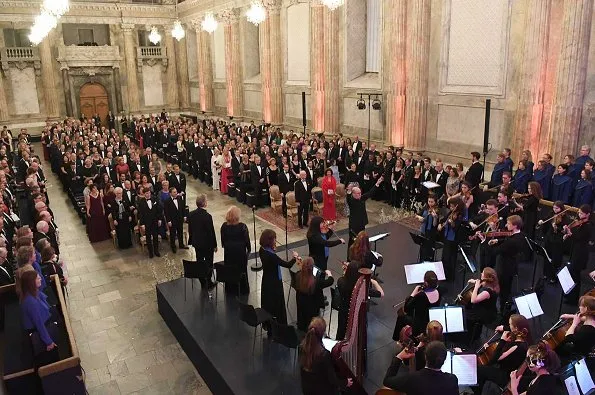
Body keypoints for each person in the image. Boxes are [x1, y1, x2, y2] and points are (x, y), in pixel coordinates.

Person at [472, 314, 532, 395]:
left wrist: (502, 340)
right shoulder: (525, 337)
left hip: (507, 376)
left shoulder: (514, 347)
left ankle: (477, 392)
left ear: (516, 328)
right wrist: (503, 328)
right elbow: (511, 329)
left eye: (510, 324)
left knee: (479, 369)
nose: (509, 326)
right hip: (513, 368)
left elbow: (494, 360)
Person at [478, 214, 526, 306]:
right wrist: (498, 241)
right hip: (512, 265)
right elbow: (508, 239)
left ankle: (502, 308)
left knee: (503, 289)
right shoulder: (521, 235)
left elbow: (493, 252)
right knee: (507, 288)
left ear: (515, 225)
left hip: (505, 267)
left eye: (508, 223)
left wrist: (484, 241)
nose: (506, 225)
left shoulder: (511, 242)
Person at [382, 340, 459, 395]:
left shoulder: (412, 379)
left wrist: (399, 356)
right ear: (444, 360)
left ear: (425, 357)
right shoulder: (452, 380)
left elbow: (387, 381)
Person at [299, 317, 352, 395]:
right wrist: (345, 382)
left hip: (307, 389)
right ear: (322, 333)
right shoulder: (324, 355)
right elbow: (332, 379)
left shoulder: (302, 347)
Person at [19, 270, 59, 366]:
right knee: (48, 360)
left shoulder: (33, 293)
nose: (40, 278)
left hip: (45, 325)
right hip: (39, 333)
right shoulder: (30, 302)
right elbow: (39, 324)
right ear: (31, 283)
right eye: (37, 278)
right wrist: (48, 342)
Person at [259, 229, 297, 327]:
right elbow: (287, 264)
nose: (276, 241)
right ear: (270, 241)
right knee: (276, 303)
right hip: (274, 282)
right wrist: (294, 258)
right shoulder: (271, 256)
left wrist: (273, 248)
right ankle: (278, 325)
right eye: (274, 239)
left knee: (268, 303)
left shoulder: (262, 250)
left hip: (266, 279)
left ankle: (268, 323)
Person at [336, 261, 384, 340]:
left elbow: (345, 278)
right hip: (356, 313)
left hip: (343, 311)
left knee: (341, 330)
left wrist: (346, 271)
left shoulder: (340, 281)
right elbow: (381, 294)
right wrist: (374, 282)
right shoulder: (362, 289)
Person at [392, 270, 441, 339]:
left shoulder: (421, 296)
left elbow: (407, 308)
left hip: (419, 326)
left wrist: (414, 293)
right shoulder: (439, 292)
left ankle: (397, 339)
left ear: (426, 283)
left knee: (401, 317)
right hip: (430, 322)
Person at [295, 257, 334, 331]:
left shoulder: (298, 276)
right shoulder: (316, 282)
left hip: (301, 307)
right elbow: (330, 281)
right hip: (313, 309)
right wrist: (329, 274)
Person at [563, 204, 591, 304]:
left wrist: (570, 233)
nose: (579, 215)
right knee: (572, 274)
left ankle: (574, 299)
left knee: (575, 276)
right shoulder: (581, 224)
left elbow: (579, 238)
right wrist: (568, 233)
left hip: (580, 253)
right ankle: (570, 295)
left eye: (582, 213)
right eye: (578, 212)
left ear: (588, 214)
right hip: (575, 250)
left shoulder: (588, 226)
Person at [188, 194, 217, 288]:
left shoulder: (191, 214)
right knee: (209, 263)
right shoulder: (207, 216)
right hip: (207, 245)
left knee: (199, 261)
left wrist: (192, 240)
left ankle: (202, 282)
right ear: (204, 203)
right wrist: (214, 245)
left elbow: (190, 229)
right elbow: (211, 232)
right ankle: (209, 282)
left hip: (197, 243)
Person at [346, 175, 384, 249]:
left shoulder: (361, 198)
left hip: (361, 223)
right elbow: (348, 196)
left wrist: (377, 183)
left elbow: (370, 193)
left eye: (360, 193)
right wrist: (349, 190)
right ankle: (350, 258)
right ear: (353, 194)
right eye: (358, 193)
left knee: (362, 240)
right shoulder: (351, 201)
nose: (360, 194)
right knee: (353, 242)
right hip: (354, 225)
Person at [464, 267, 500, 344]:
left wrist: (476, 287)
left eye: (482, 273)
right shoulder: (493, 284)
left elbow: (473, 300)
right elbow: (481, 282)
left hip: (485, 314)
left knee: (466, 314)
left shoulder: (487, 292)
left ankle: (470, 336)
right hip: (487, 308)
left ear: (486, 278)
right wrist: (475, 281)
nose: (481, 274)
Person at [220, 206, 251, 295]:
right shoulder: (242, 226)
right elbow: (247, 241)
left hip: (229, 252)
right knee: (241, 270)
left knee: (230, 269)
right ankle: (243, 289)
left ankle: (230, 289)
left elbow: (223, 241)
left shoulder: (224, 226)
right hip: (240, 253)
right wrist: (248, 250)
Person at [556, 295, 595, 363]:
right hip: (588, 343)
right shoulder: (592, 318)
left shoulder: (586, 330)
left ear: (586, 309)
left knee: (560, 347)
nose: (579, 307)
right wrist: (570, 316)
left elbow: (568, 338)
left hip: (580, 351)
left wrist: (574, 324)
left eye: (581, 306)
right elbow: (585, 318)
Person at [540, 201, 569, 283]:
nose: (555, 210)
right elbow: (546, 219)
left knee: (555, 258)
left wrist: (557, 228)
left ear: (561, 208)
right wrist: (542, 221)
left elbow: (564, 232)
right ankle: (546, 273)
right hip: (549, 238)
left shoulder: (565, 218)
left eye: (557, 208)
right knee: (547, 256)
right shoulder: (551, 213)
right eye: (554, 208)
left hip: (557, 240)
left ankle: (553, 276)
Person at [137, 187, 162, 258]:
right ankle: (150, 252)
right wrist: (142, 224)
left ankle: (156, 251)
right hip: (147, 223)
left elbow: (159, 210)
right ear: (144, 194)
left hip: (155, 221)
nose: (148, 195)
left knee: (155, 236)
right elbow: (140, 214)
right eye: (146, 193)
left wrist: (159, 219)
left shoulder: (155, 199)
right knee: (148, 238)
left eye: (149, 193)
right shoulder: (141, 202)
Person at [163, 187, 187, 253]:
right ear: (170, 193)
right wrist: (168, 221)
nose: (176, 193)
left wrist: (184, 215)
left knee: (180, 232)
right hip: (172, 220)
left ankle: (181, 244)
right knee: (173, 234)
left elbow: (183, 207)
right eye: (174, 192)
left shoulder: (179, 198)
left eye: (176, 191)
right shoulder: (167, 201)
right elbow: (166, 212)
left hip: (179, 219)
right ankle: (173, 246)